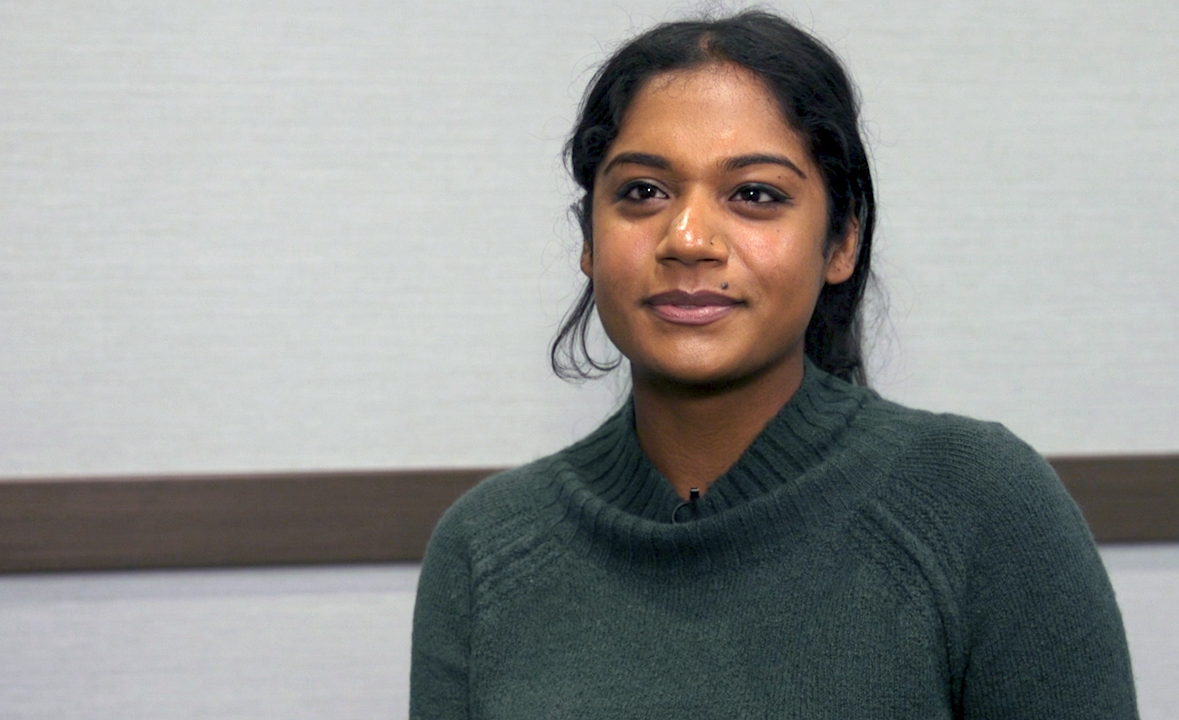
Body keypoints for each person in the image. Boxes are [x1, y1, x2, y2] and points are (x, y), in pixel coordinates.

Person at [410, 9, 1137, 719]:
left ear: (842, 241)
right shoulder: (484, 548)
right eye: (643, 192)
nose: (688, 239)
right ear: (588, 241)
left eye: (755, 194)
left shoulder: (982, 504)